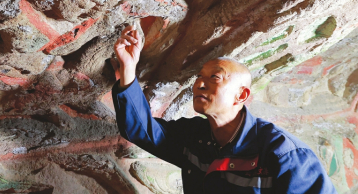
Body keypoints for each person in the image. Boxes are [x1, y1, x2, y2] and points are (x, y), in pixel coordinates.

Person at [112, 25, 337, 193]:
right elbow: (142, 130)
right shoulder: (194, 137)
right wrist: (128, 68)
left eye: (214, 77)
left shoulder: (284, 154)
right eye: (198, 77)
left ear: (241, 95)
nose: (199, 83)